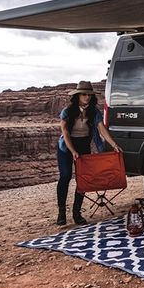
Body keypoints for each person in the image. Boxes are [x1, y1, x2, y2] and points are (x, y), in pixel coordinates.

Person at [56, 80, 120, 226]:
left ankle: (76, 212)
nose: (87, 97)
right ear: (78, 95)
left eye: (89, 95)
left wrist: (114, 145)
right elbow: (65, 132)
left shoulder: (94, 111)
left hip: (83, 144)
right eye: (84, 94)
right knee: (65, 176)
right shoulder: (67, 111)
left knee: (83, 180)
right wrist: (72, 151)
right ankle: (61, 212)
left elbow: (101, 128)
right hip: (67, 146)